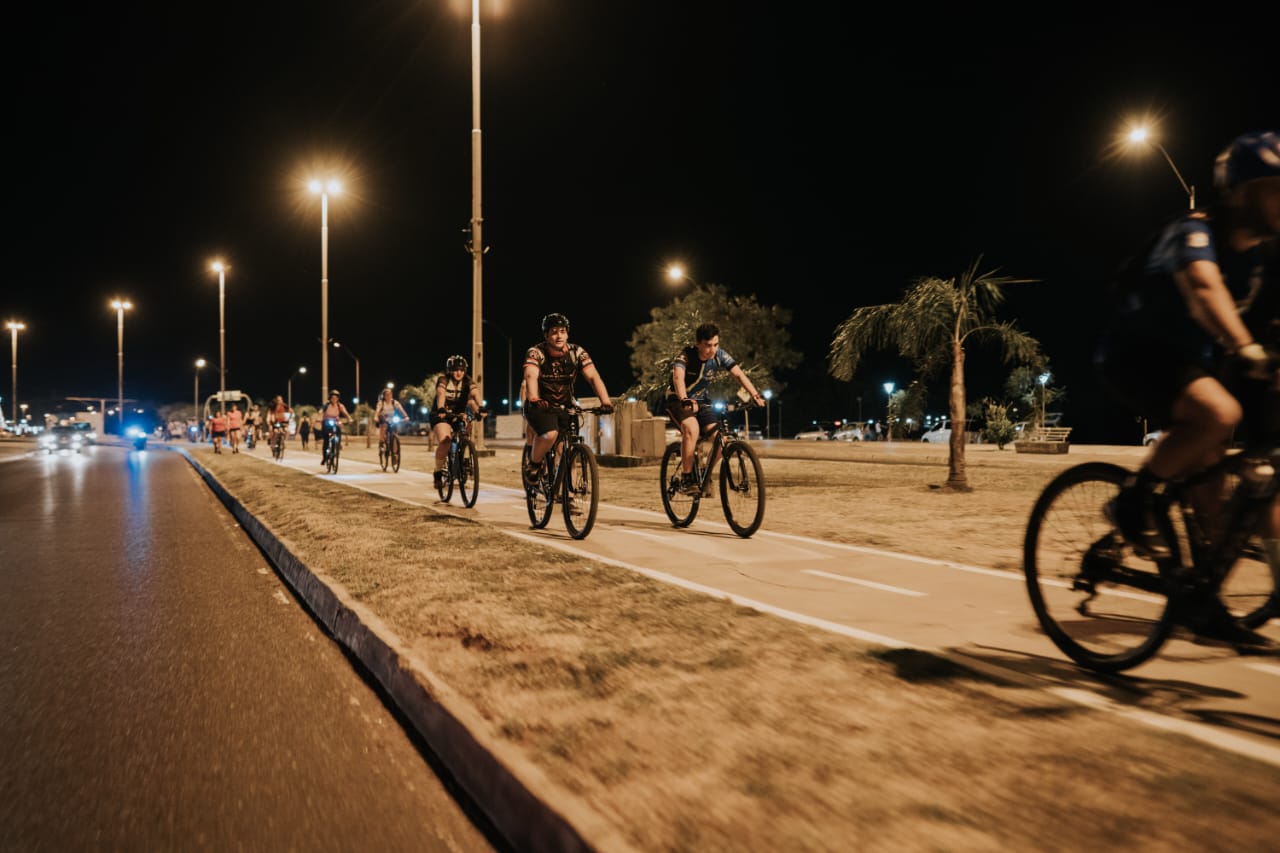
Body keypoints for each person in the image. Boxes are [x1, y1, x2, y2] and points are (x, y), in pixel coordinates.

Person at [1094, 129, 1279, 647]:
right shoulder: (1192, 232)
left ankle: (1204, 605)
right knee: (1218, 414)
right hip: (1137, 358)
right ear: (1242, 191)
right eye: (1276, 188)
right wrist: (1247, 349)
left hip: (1195, 366)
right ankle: (1132, 502)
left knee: (1232, 493)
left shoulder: (1261, 260)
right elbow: (1204, 291)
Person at [664, 321, 766, 495]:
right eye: (708, 345)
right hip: (678, 400)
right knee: (692, 428)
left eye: (716, 344)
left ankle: (705, 474)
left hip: (702, 402)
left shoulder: (719, 356)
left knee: (721, 441)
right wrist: (684, 399)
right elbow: (678, 378)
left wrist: (755, 395)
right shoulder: (685, 356)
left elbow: (739, 375)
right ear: (698, 344)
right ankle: (686, 478)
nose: (712, 349)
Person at [521, 312, 614, 485]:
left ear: (568, 333)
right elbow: (530, 376)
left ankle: (569, 497)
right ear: (546, 335)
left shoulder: (577, 352)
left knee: (567, 451)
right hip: (541, 405)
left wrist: (605, 401)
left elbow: (593, 377)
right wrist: (534, 397)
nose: (559, 336)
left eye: (562, 331)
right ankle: (534, 465)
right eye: (554, 331)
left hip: (565, 406)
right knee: (550, 435)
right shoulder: (536, 352)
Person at [431, 356, 482, 489]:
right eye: (455, 370)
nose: (459, 372)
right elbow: (441, 393)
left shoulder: (467, 380)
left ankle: (465, 456)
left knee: (467, 424)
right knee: (446, 440)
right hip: (442, 414)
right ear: (450, 371)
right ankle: (437, 472)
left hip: (458, 413)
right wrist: (441, 408)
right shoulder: (443, 380)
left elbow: (475, 392)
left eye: (461, 370)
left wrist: (481, 407)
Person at [317, 390, 352, 468]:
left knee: (338, 431)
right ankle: (325, 457)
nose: (334, 399)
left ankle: (338, 444)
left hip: (335, 422)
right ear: (330, 398)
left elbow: (345, 413)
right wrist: (319, 417)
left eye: (336, 398)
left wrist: (349, 418)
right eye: (332, 397)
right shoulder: (326, 405)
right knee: (326, 440)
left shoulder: (340, 405)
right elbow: (321, 411)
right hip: (326, 422)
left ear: (338, 398)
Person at [375, 387, 410, 451]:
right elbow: (377, 410)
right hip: (383, 417)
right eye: (387, 395)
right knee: (383, 426)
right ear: (384, 396)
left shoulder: (394, 402)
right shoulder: (381, 403)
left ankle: (395, 452)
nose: (389, 396)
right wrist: (376, 417)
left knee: (394, 432)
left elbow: (401, 409)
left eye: (390, 394)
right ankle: (382, 442)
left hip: (392, 417)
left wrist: (406, 416)